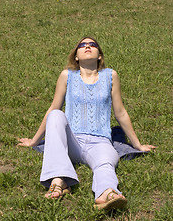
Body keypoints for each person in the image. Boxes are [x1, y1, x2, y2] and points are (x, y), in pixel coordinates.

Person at [18, 37, 156, 211]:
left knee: (105, 164)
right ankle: (58, 181)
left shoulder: (110, 76)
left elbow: (120, 113)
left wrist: (137, 145)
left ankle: (107, 193)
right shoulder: (67, 75)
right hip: (72, 142)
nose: (88, 46)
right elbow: (53, 108)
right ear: (76, 56)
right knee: (55, 114)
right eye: (82, 45)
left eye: (92, 45)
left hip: (100, 142)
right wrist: (34, 141)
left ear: (99, 55)